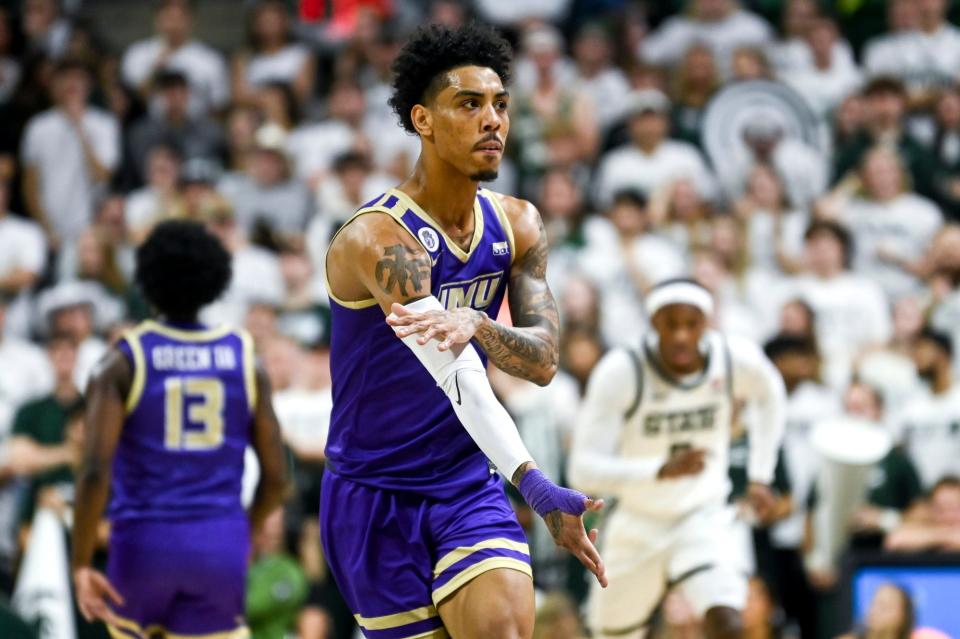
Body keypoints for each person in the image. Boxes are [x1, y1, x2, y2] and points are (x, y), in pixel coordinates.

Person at [322, 23, 606, 639]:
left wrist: (478, 322)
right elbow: (460, 378)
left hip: (464, 480)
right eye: (470, 104)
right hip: (374, 493)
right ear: (423, 119)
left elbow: (544, 361)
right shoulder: (381, 240)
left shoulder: (519, 224)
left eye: (501, 104)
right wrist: (534, 483)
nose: (493, 121)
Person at [71, 220, 289, 638]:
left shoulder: (121, 361)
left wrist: (81, 562)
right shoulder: (245, 357)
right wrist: (244, 531)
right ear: (214, 279)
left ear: (147, 279)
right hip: (218, 541)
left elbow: (95, 470)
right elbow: (277, 477)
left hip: (142, 545)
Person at [568, 277, 786, 638]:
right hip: (638, 521)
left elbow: (771, 393)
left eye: (692, 324)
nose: (682, 335)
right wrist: (659, 470)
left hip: (702, 515)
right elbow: (581, 470)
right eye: (672, 325)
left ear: (707, 323)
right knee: (610, 633)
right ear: (654, 324)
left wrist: (761, 474)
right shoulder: (623, 370)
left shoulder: (732, 359)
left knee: (728, 622)